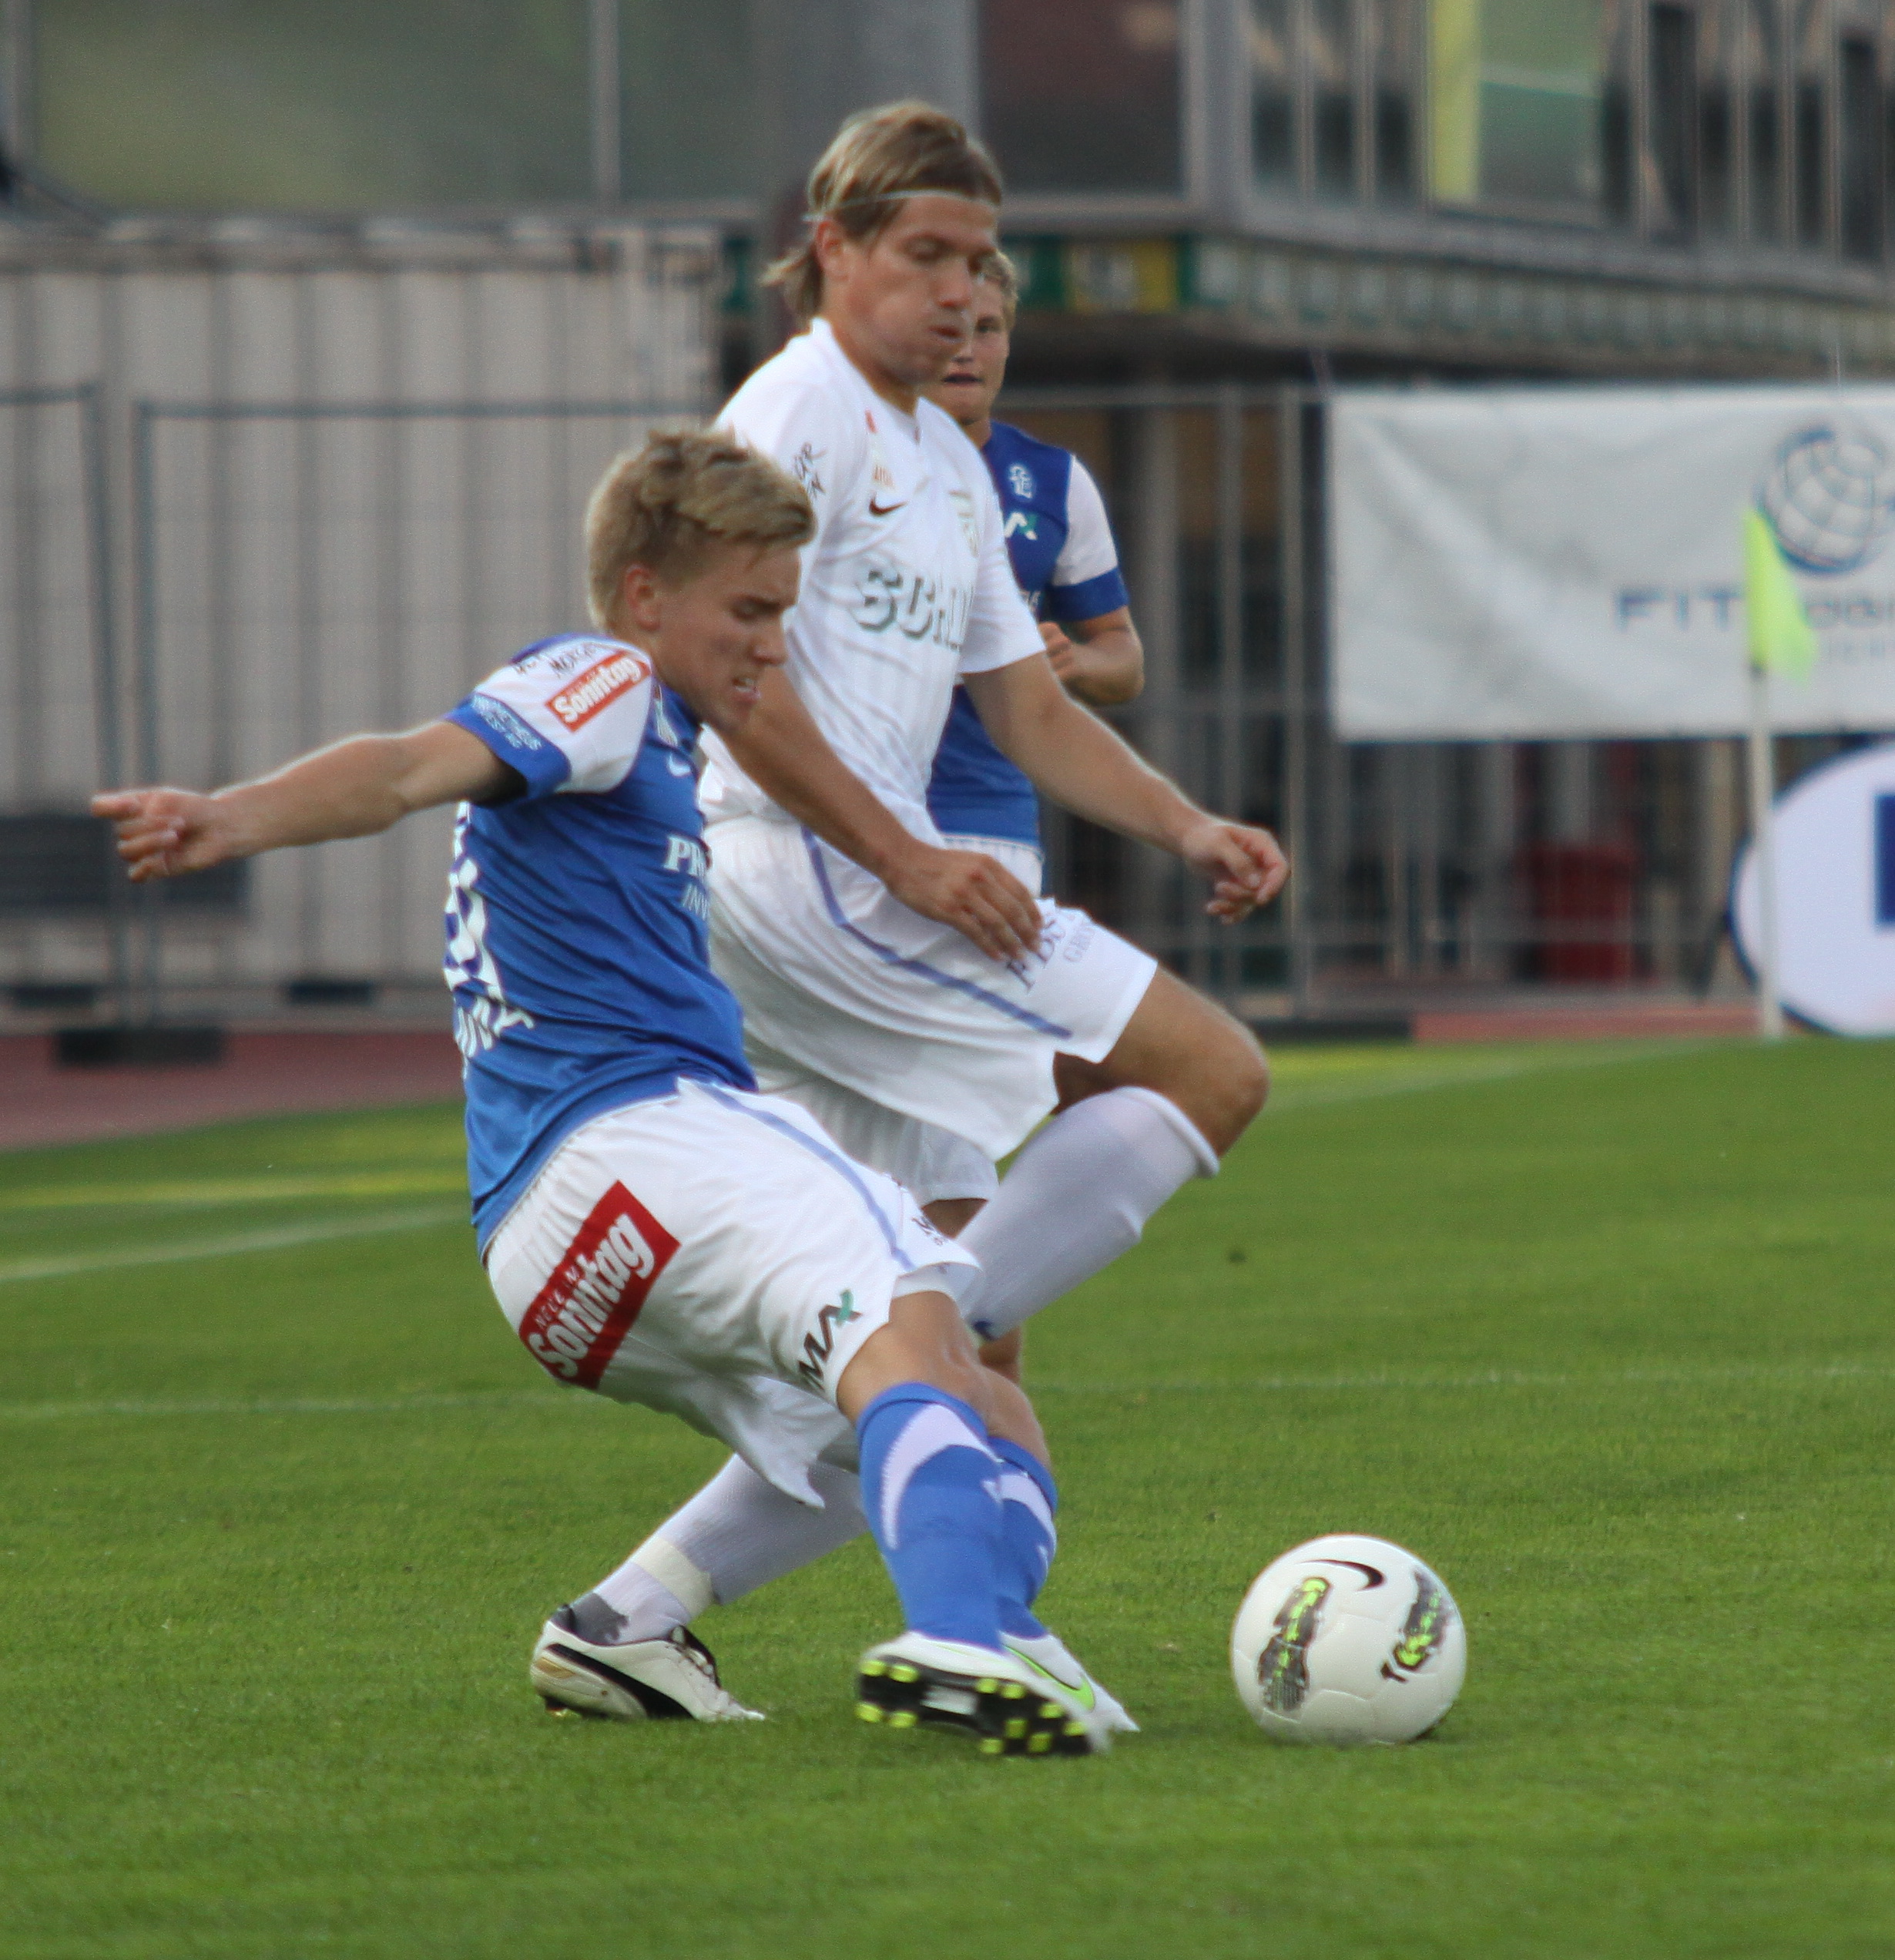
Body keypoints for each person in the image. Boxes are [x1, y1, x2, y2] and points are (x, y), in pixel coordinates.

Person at [90, 431, 1114, 1759]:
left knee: (962, 1396)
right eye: (750, 611)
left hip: (549, 1255)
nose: (773, 647)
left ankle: (645, 1626)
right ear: (644, 594)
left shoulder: (661, 745)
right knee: (914, 1304)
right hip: (635, 1137)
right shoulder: (604, 678)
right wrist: (234, 817)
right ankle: (964, 1641)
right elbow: (406, 766)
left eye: (785, 614)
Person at [572, 102, 1285, 1723]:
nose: (965, 292)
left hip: (848, 890)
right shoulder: (796, 410)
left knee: (961, 1361)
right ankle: (917, 1447)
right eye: (929, 255)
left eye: (983, 262)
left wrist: (1187, 823)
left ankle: (634, 1614)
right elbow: (739, 680)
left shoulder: (950, 462)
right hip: (813, 882)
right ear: (834, 251)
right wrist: (906, 858)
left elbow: (1031, 709)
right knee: (1210, 1071)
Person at [922, 249, 1143, 910]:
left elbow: (1125, 659)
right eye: (948, 329)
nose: (966, 351)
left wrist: (1074, 660)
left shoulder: (1055, 480)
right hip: (854, 814)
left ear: (1009, 342)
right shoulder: (850, 460)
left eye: (987, 330)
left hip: (991, 820)